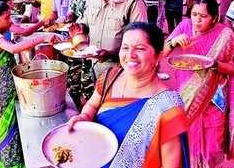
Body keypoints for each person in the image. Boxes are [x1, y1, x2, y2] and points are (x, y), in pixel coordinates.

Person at [68, 22, 190, 168]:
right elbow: (92, 105)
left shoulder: (168, 107)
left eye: (140, 49)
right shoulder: (110, 76)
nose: (130, 55)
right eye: (125, 47)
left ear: (158, 56)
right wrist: (84, 117)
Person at [165, 0, 234, 168]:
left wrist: (215, 64)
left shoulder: (226, 35)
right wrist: (172, 43)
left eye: (203, 16)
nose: (197, 20)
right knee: (186, 137)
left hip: (213, 97)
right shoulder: (184, 26)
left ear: (214, 18)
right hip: (187, 95)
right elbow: (162, 53)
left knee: (213, 142)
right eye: (194, 14)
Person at [0, 1, 55, 168]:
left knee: (14, 123)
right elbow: (14, 49)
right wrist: (42, 37)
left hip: (8, 83)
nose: (10, 21)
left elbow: (20, 37)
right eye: (7, 18)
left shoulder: (2, 31)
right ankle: (9, 162)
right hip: (1, 88)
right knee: (5, 123)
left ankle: (17, 157)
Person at [78, 0, 147, 77]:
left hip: (120, 70)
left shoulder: (132, 2)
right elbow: (86, 22)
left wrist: (111, 54)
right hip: (95, 66)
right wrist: (80, 27)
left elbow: (139, 41)